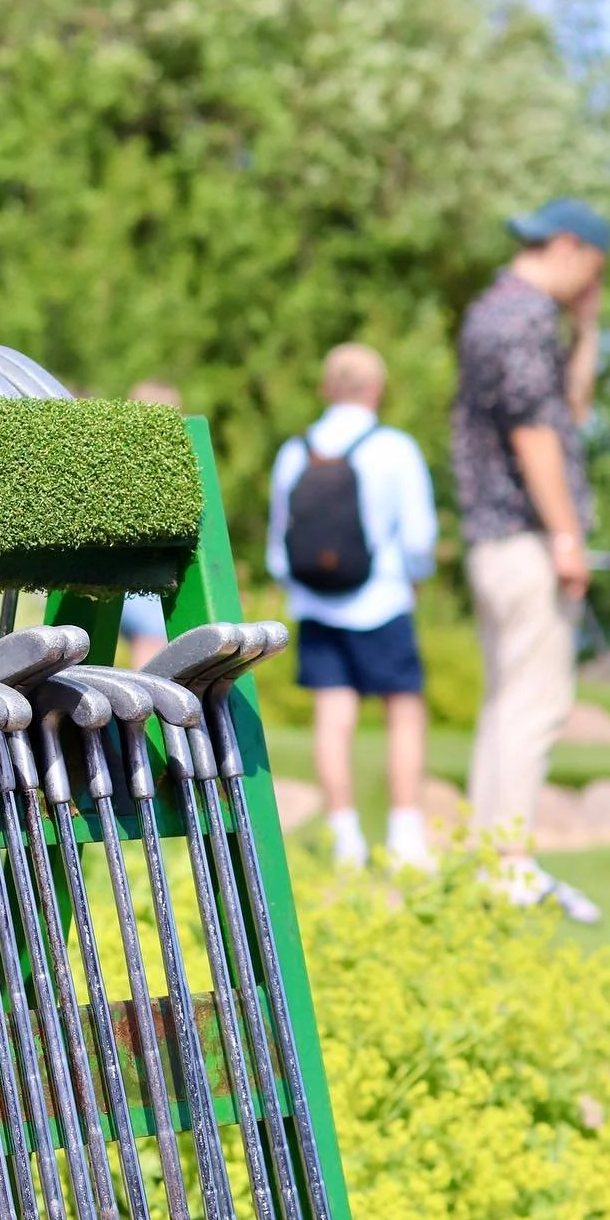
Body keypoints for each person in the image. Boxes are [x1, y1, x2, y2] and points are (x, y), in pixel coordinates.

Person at [451, 196, 610, 922]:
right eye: (596, 272)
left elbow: (567, 409)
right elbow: (539, 435)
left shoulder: (498, 310)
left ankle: (492, 857)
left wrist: (588, 330)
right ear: (571, 247)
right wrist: (568, 536)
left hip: (497, 539)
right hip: (526, 537)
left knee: (506, 700)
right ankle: (509, 865)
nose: (592, 288)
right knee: (534, 704)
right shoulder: (523, 318)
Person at [267, 343, 438, 869]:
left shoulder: (295, 452)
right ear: (376, 389)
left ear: (326, 388)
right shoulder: (395, 448)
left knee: (331, 716)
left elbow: (279, 550)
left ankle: (345, 837)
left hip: (317, 606)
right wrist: (416, 579)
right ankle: (405, 834)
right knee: (404, 712)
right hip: (382, 600)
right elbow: (418, 538)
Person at [119, 379, 183, 667]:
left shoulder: (119, 457)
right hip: (143, 587)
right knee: (151, 649)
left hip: (117, 585)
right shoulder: (169, 467)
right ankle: (145, 711)